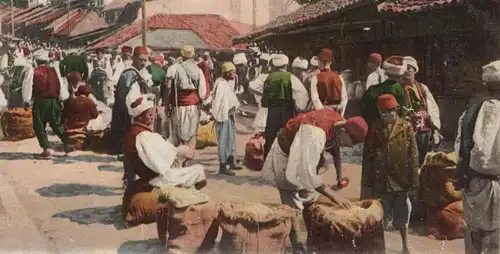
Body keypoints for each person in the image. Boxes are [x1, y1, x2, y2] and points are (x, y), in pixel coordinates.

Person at [262, 109, 368, 254]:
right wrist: (333, 195)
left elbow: (336, 148)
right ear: (344, 130)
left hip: (301, 152)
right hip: (285, 156)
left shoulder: (338, 123)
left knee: (310, 199)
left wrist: (339, 176)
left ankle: (311, 241)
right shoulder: (315, 133)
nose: (350, 146)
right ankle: (298, 247)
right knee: (292, 204)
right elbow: (307, 174)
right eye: (351, 143)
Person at [454, 60, 500, 254]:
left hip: (473, 180)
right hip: (490, 183)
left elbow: (459, 148)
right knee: (491, 239)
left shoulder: (470, 110)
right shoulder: (494, 111)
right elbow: (484, 154)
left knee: (474, 236)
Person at [363, 94, 417, 254]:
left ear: (397, 110)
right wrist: (367, 180)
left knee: (402, 214)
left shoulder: (406, 127)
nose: (387, 116)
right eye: (383, 113)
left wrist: (414, 180)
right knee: (381, 215)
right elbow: (368, 156)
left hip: (401, 178)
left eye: (390, 112)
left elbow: (413, 155)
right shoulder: (375, 128)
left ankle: (405, 245)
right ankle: (381, 248)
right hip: (382, 178)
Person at [123, 93, 207, 190]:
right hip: (157, 180)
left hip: (151, 176)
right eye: (149, 115)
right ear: (140, 117)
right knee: (198, 170)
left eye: (153, 114)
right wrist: (178, 152)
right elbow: (161, 162)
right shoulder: (143, 136)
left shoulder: (134, 132)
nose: (152, 117)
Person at [309, 48, 348, 188]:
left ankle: (315, 179)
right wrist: (339, 115)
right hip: (336, 116)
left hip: (321, 116)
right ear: (331, 61)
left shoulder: (315, 78)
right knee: (336, 149)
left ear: (319, 61)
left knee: (319, 147)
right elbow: (344, 99)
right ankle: (339, 178)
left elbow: (315, 99)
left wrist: (322, 112)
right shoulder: (339, 77)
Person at [164, 45, 208, 165]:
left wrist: (166, 105)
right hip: (193, 107)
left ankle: (177, 162)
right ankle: (187, 160)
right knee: (191, 135)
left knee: (176, 135)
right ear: (193, 55)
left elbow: (167, 89)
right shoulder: (198, 71)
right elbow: (202, 93)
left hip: (177, 106)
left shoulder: (173, 69)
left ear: (181, 55)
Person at [22, 49, 70, 159]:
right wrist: (62, 99)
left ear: (36, 60)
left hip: (40, 101)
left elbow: (27, 86)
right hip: (54, 101)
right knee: (56, 124)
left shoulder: (33, 71)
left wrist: (26, 100)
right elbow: (60, 85)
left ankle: (47, 149)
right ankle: (68, 143)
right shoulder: (54, 71)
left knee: (39, 125)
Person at [262, 54, 308, 159]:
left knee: (271, 134)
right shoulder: (290, 77)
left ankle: (268, 159)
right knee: (286, 134)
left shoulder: (268, 77)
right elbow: (302, 94)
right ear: (286, 65)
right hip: (286, 109)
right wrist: (300, 107)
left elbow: (258, 89)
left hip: (272, 109)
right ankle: (284, 159)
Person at [110, 46, 151, 159]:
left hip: (136, 108)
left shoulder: (140, 72)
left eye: (145, 60)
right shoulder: (129, 73)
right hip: (127, 109)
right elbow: (125, 95)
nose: (143, 62)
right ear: (134, 58)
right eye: (140, 59)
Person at [401, 56, 442, 166]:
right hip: (407, 130)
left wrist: (436, 131)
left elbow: (432, 108)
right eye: (404, 68)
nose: (406, 71)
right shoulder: (398, 88)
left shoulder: (422, 87)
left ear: (415, 70)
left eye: (409, 68)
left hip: (425, 130)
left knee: (424, 162)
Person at [212, 62, 242, 176]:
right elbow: (219, 102)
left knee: (231, 138)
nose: (235, 75)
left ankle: (231, 161)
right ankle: (222, 166)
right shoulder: (221, 84)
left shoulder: (225, 83)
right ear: (227, 73)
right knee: (224, 140)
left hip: (228, 115)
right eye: (233, 72)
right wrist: (219, 115)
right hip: (223, 115)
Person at [249, 53, 272, 133]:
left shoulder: (267, 73)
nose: (263, 63)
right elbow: (252, 84)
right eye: (262, 61)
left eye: (265, 61)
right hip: (260, 94)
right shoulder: (258, 70)